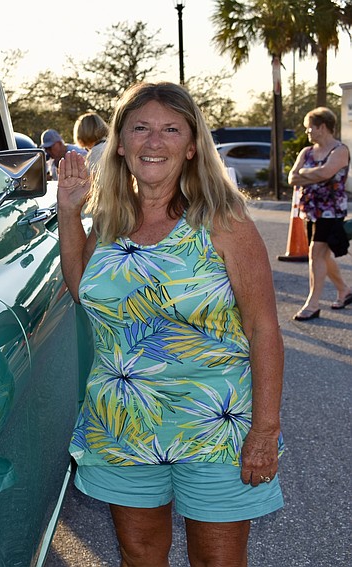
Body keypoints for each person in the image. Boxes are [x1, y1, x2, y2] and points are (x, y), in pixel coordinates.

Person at [56, 82, 284, 567]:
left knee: (217, 561)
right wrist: (69, 214)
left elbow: (264, 329)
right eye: (140, 128)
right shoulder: (111, 221)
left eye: (170, 130)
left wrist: (264, 430)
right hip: (123, 422)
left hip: (216, 424)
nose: (153, 142)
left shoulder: (224, 221)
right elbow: (84, 291)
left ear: (192, 145)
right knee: (138, 554)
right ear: (120, 143)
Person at [288, 107, 352, 321]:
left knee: (316, 253)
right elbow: (291, 178)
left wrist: (305, 174)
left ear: (322, 127)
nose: (307, 133)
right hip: (311, 210)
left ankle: (312, 304)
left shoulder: (339, 150)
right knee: (322, 255)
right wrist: (313, 175)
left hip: (331, 211)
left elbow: (326, 172)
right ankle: (344, 290)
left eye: (310, 128)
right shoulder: (306, 152)